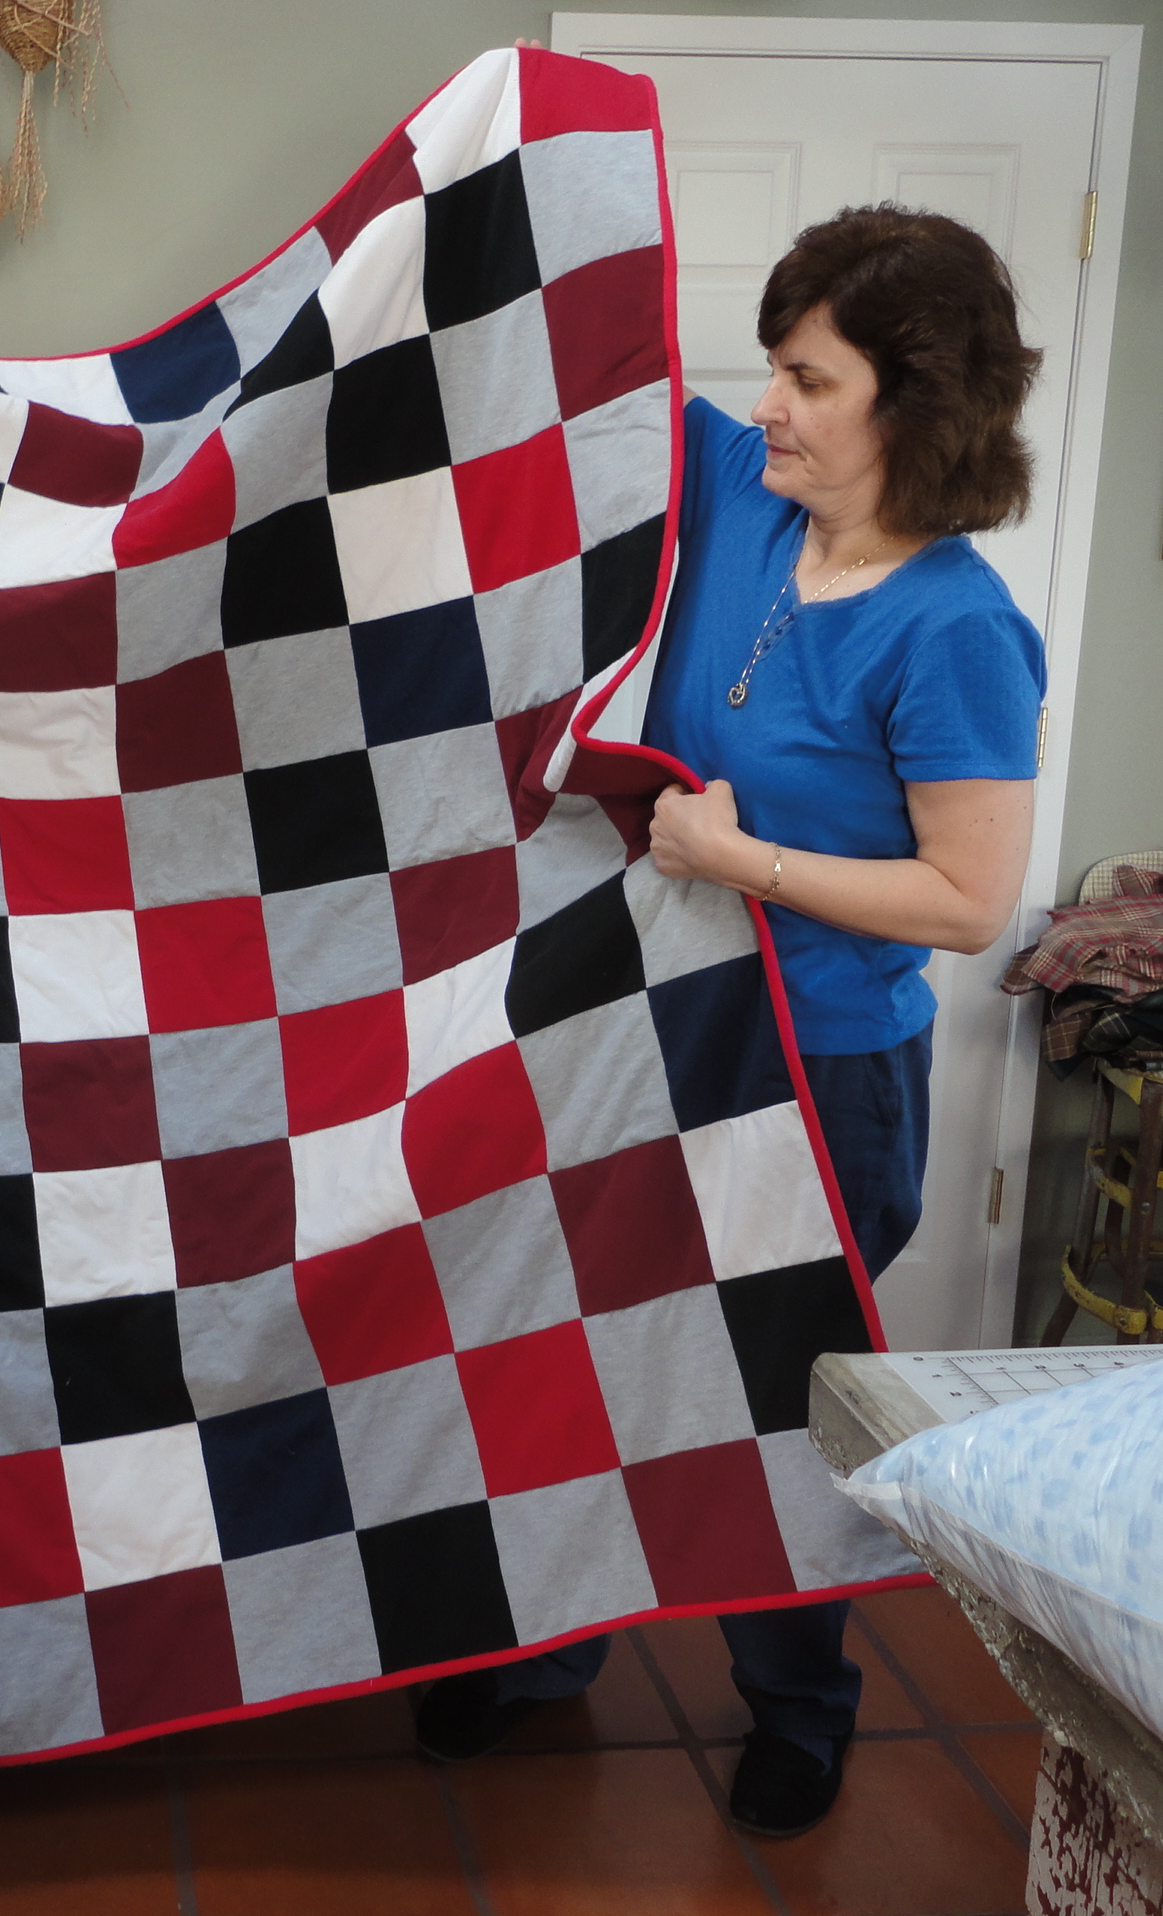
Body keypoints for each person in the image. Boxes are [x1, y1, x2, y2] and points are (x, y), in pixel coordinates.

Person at [413, 205, 1045, 1838]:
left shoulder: (956, 627)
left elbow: (970, 899)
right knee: (589, 1351)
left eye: (807, 378)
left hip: (826, 1071)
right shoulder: (744, 496)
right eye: (772, 367)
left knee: (770, 1395)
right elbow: (583, 368)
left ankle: (798, 1706)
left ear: (913, 404)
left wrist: (737, 859)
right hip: (653, 1028)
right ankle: (552, 1654)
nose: (765, 402)